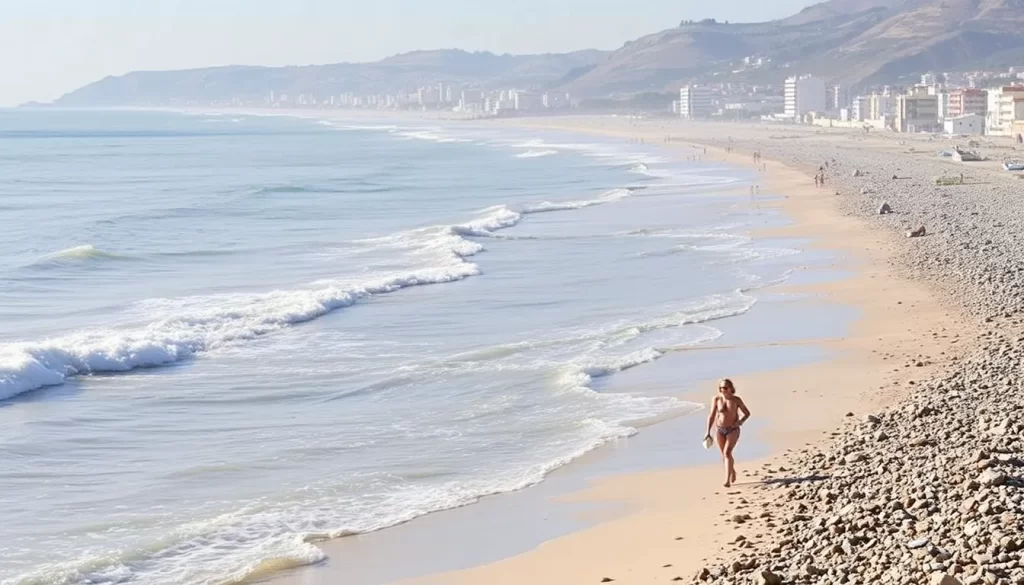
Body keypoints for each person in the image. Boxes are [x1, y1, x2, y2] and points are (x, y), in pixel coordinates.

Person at [704, 378, 750, 487]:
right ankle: (732, 471)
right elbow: (711, 415)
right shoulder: (716, 399)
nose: (722, 390)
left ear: (730, 388)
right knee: (724, 455)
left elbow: (747, 413)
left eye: (724, 388)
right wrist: (707, 431)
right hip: (719, 429)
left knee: (727, 453)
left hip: (732, 430)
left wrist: (740, 422)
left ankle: (727, 480)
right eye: (720, 388)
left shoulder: (736, 400)